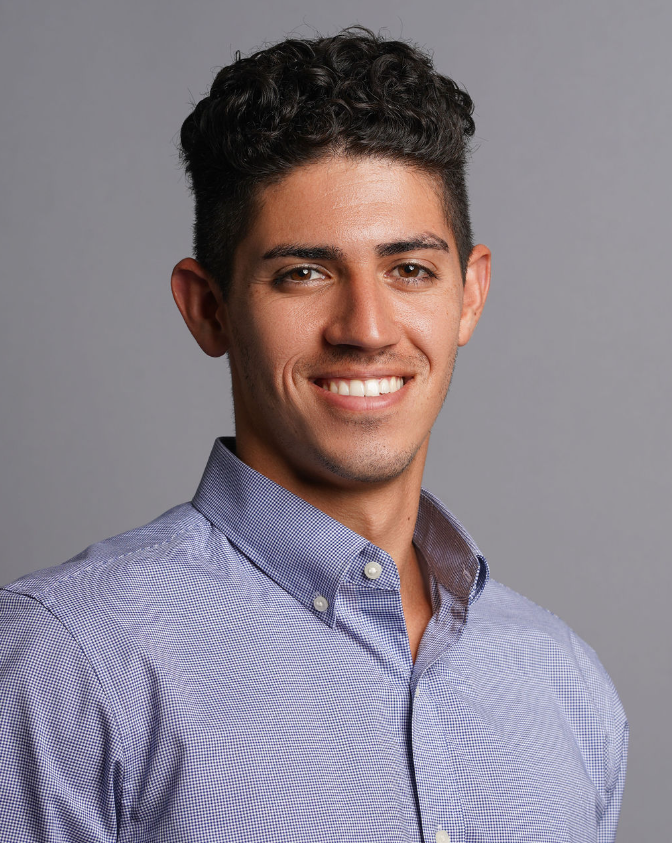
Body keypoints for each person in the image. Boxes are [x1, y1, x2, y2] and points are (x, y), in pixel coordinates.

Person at [0, 27, 627, 843]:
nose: (366, 328)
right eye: (304, 273)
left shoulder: (566, 685)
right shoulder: (66, 667)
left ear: (468, 295)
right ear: (209, 308)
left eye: (409, 270)